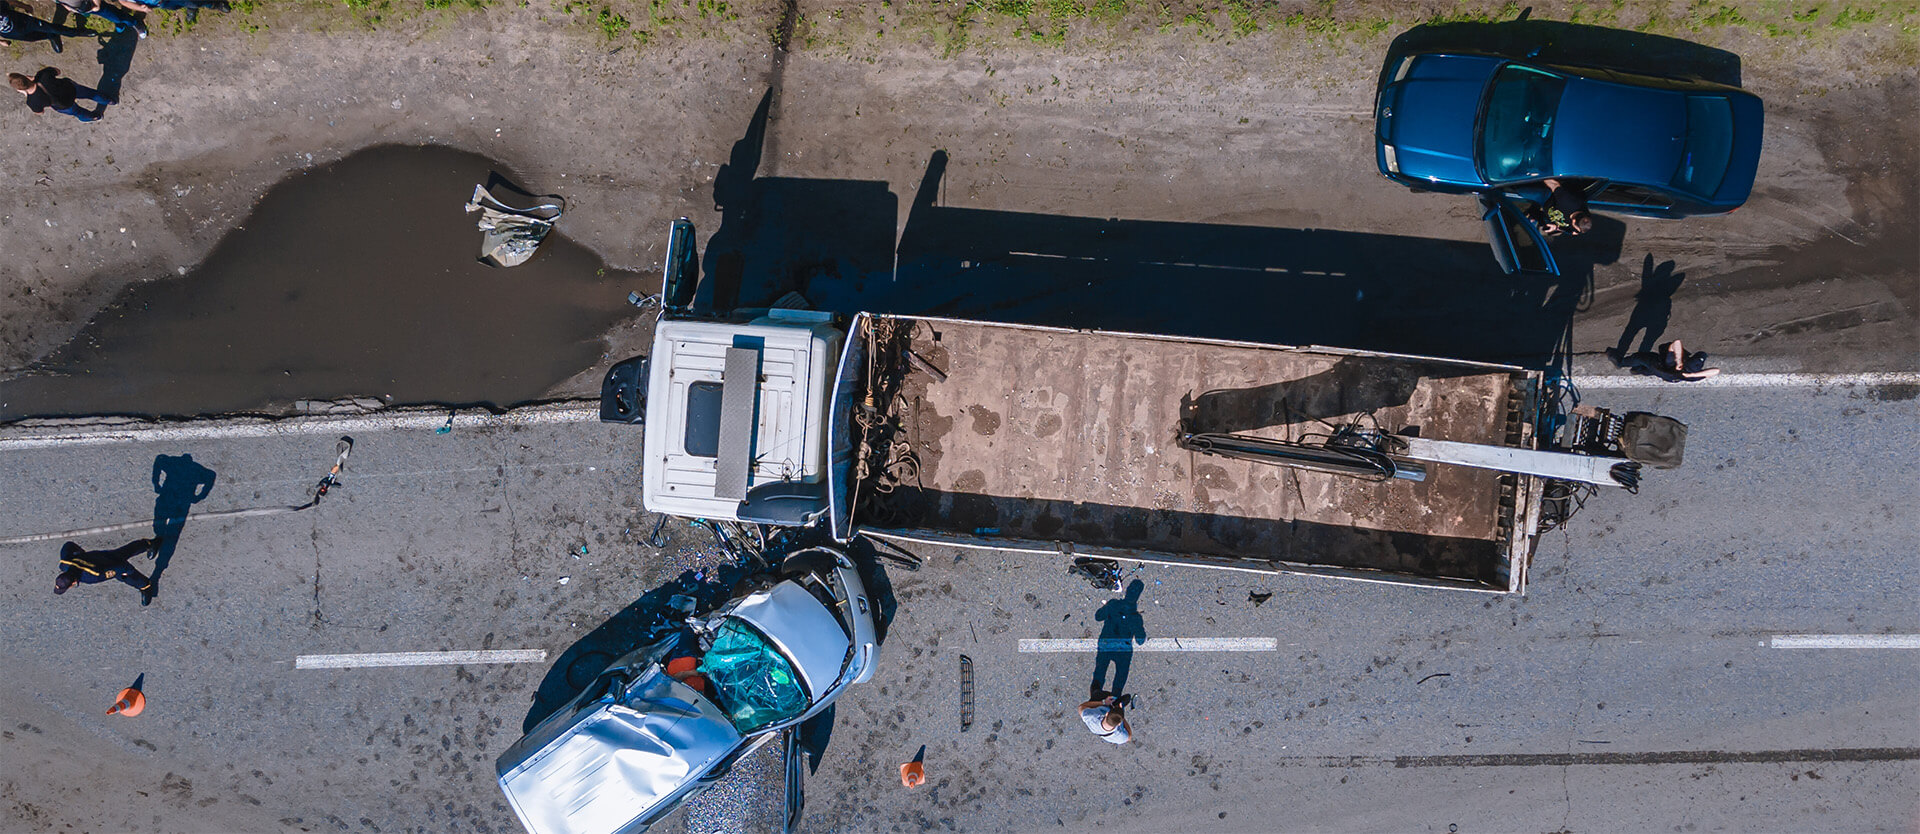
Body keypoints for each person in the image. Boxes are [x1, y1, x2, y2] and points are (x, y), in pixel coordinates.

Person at [54, 538, 160, 605]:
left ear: (73, 583)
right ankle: (149, 544)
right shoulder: (65, 563)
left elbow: (118, 568)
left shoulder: (92, 576)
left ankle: (146, 586)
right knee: (126, 551)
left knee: (127, 577)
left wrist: (129, 571)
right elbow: (68, 545)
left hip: (108, 564)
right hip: (98, 556)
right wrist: (81, 553)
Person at [9, 67, 111, 121]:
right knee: (91, 94)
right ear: (26, 77)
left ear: (19, 89)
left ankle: (95, 117)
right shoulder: (43, 75)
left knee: (78, 113)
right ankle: (110, 100)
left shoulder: (32, 102)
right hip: (71, 89)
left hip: (63, 105)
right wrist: (34, 77)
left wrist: (27, 94)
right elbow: (57, 71)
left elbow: (40, 112)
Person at [1606, 339, 1720, 382]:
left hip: (1657, 364)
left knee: (1639, 357)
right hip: (1667, 377)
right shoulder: (1692, 376)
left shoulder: (1672, 362)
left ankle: (1620, 363)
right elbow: (1716, 371)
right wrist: (1693, 374)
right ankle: (1639, 371)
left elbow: (1676, 343)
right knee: (1650, 370)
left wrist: (1679, 360)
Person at [0, 3, 92, 53]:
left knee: (51, 27)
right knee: (33, 38)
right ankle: (52, 36)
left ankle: (78, 32)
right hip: (10, 33)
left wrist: (25, 6)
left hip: (22, 21)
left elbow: (9, 2)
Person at [1524, 178, 1593, 237]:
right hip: (1547, 198)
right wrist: (1539, 174)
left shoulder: (1582, 224)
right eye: (1576, 228)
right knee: (1521, 190)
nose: (1576, 231)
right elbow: (1554, 185)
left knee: (1543, 224)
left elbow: (1574, 233)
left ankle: (1533, 212)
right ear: (1573, 221)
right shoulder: (1568, 201)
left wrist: (1556, 228)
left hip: (1549, 216)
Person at [54, 0, 144, 37]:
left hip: (92, 3)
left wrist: (96, 4)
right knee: (112, 15)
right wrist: (69, 7)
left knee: (113, 15)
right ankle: (119, 21)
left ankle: (134, 22)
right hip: (84, 8)